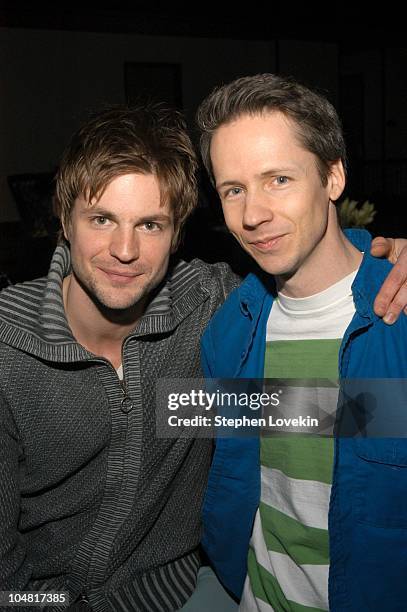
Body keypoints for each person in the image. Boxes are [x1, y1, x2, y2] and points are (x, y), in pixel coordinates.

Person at [0, 102, 405, 612]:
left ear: (178, 235)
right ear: (63, 219)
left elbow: (337, 409)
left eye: (150, 225)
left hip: (182, 595)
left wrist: (389, 262)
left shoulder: (216, 311)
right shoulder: (8, 351)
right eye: (101, 219)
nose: (124, 250)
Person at [197, 73, 407, 612]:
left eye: (278, 180)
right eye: (233, 189)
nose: (252, 214)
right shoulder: (228, 331)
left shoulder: (396, 315)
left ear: (333, 177)